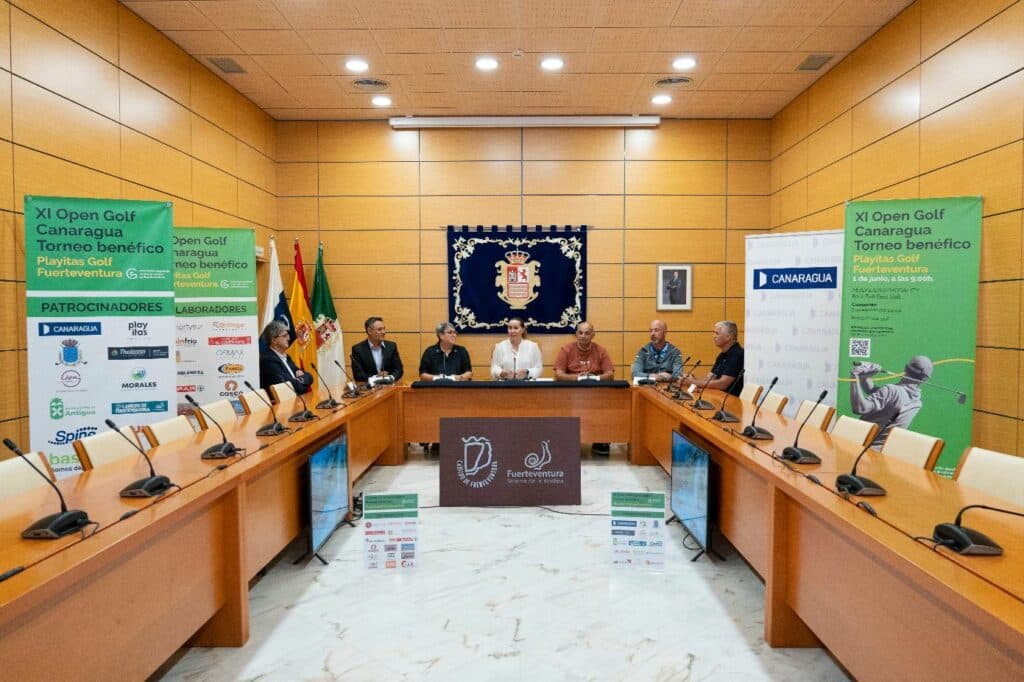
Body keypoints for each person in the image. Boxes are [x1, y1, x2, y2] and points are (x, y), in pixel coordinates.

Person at [554, 321, 615, 455]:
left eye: (587, 333)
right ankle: (568, 439)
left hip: (596, 394)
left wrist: (595, 378)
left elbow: (610, 374)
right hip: (571, 394)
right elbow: (558, 374)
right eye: (580, 333)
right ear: (576, 334)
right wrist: (577, 378)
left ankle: (601, 439)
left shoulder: (601, 350)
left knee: (608, 404)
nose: (583, 336)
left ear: (593, 335)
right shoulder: (566, 350)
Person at [850, 355, 931, 449]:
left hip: (861, 447)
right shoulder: (916, 403)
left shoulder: (891, 391)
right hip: (884, 451)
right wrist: (865, 377)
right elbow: (878, 395)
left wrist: (854, 376)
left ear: (905, 368)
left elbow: (860, 408)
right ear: (925, 379)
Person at [684, 320, 744, 396]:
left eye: (717, 333)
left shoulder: (737, 354)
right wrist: (694, 380)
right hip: (718, 396)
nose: (714, 336)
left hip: (730, 400)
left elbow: (723, 384)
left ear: (728, 337)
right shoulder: (722, 355)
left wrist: (694, 382)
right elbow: (710, 379)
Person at [259, 320, 314, 395]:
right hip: (281, 401)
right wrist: (302, 381)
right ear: (274, 340)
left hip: (296, 399)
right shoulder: (268, 360)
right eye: (284, 336)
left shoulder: (286, 357)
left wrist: (299, 380)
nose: (288, 338)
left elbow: (309, 377)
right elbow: (292, 387)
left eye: (288, 335)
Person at [351, 316, 404, 383]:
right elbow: (358, 375)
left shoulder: (391, 346)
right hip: (369, 387)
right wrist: (376, 377)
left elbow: (399, 370)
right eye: (379, 329)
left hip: (389, 386)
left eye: (384, 329)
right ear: (369, 331)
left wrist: (390, 377)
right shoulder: (358, 349)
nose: (383, 332)